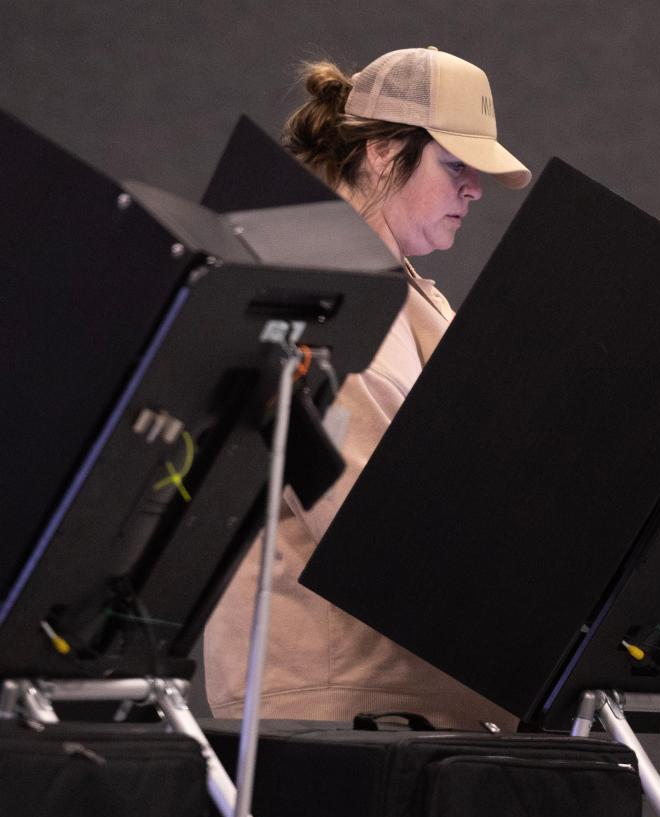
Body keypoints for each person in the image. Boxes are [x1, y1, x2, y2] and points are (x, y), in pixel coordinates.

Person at [203, 47, 530, 727]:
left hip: (407, 702)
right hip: (336, 709)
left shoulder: (407, 294)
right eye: (456, 165)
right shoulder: (321, 283)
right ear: (383, 151)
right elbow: (357, 515)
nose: (473, 188)